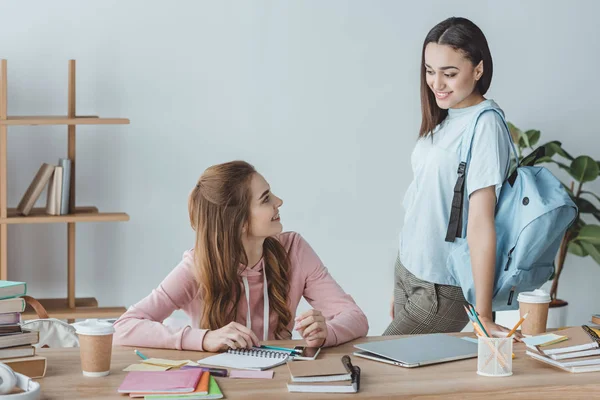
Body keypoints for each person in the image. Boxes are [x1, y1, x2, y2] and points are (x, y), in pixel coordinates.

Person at [114, 160, 368, 352]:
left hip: (281, 383)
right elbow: (124, 327)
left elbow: (355, 317)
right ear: (239, 222)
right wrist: (203, 338)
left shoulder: (295, 249)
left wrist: (327, 332)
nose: (279, 201)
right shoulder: (197, 265)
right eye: (266, 198)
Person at [385, 17, 520, 338]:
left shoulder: (484, 125)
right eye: (430, 71)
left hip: (442, 285)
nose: (437, 83)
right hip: (410, 270)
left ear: (478, 70)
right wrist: (401, 281)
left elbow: (481, 222)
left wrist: (483, 315)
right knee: (410, 381)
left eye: (450, 73)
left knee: (382, 374)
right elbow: (421, 201)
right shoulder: (445, 119)